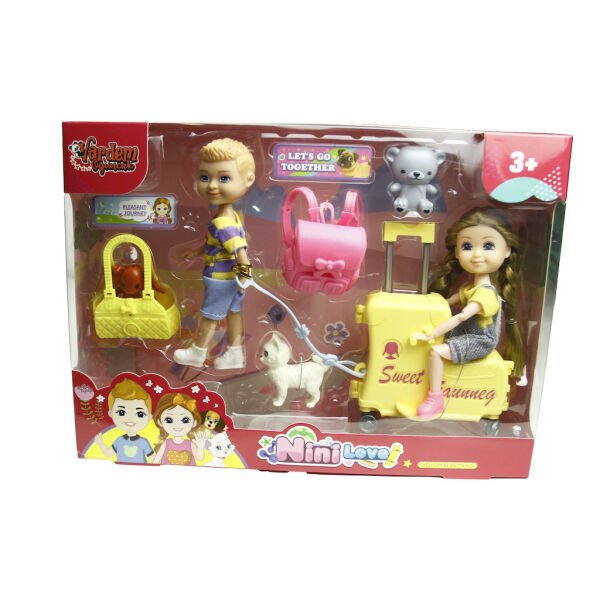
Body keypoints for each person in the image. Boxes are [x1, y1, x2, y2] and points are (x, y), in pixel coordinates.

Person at [413, 209, 524, 418]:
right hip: (467, 334)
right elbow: (447, 303)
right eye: (467, 246)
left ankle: (435, 398)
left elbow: (461, 316)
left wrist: (431, 334)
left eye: (488, 246)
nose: (476, 255)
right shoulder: (470, 288)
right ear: (456, 252)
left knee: (435, 351)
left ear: (507, 251)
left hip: (479, 340)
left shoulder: (485, 294)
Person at [174, 138, 255, 370]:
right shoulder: (233, 216)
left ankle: (197, 352)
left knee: (209, 316)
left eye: (224, 178)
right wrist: (197, 251)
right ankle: (235, 354)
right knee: (233, 312)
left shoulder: (222, 221)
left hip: (221, 279)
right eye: (204, 177)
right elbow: (224, 244)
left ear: (248, 179)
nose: (211, 185)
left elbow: (239, 249)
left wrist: (245, 272)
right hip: (233, 278)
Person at [94, 378, 154, 464]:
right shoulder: (119, 440)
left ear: (149, 417)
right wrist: (100, 443)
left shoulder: (143, 442)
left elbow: (153, 459)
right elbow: (109, 453)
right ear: (111, 413)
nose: (130, 418)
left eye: (140, 414)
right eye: (121, 412)